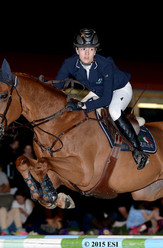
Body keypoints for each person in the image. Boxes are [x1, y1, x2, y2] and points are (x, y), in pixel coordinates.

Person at [54, 28, 148, 169]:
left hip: (119, 89)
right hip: (97, 91)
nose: (86, 53)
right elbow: (57, 88)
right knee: (73, 106)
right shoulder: (69, 63)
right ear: (76, 50)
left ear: (95, 51)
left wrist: (82, 106)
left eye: (91, 49)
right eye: (82, 49)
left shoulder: (105, 65)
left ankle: (139, 150)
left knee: (114, 111)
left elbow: (105, 99)